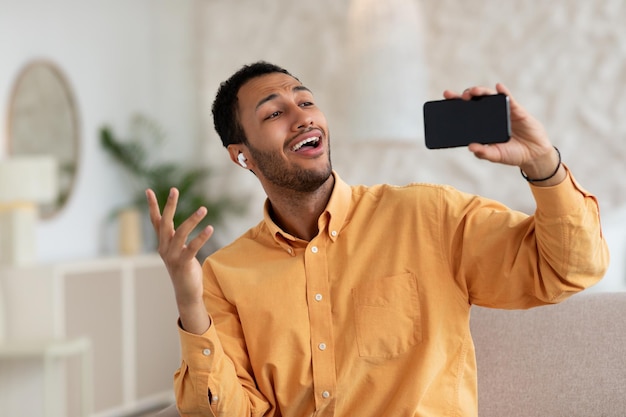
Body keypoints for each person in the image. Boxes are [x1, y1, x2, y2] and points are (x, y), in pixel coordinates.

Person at [146, 61, 609, 417]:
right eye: (274, 112)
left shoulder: (429, 216)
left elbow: (568, 269)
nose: (302, 118)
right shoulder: (226, 274)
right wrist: (190, 301)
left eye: (305, 102)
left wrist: (543, 164)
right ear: (241, 155)